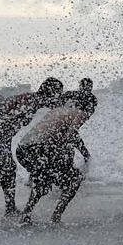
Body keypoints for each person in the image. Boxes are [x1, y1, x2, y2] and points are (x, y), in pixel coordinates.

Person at [0, 80, 62, 220]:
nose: (57, 100)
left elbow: (6, 120)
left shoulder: (32, 101)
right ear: (50, 93)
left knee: (9, 170)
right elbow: (1, 119)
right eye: (58, 94)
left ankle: (10, 208)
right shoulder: (30, 101)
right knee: (3, 171)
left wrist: (5, 144)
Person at [18, 80, 91, 224]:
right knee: (74, 180)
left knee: (43, 181)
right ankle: (55, 216)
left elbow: (55, 136)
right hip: (39, 149)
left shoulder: (58, 111)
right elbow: (69, 136)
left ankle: (26, 215)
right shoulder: (80, 112)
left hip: (22, 149)